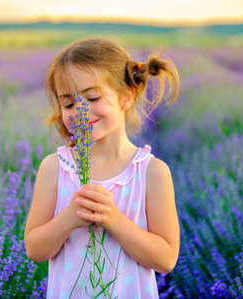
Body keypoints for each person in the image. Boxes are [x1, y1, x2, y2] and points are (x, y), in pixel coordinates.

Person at [24, 36, 181, 298]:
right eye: (68, 103)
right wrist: (69, 218)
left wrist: (113, 220)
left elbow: (166, 259)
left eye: (93, 97)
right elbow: (34, 249)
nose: (81, 111)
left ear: (126, 97)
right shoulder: (55, 168)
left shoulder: (151, 172)